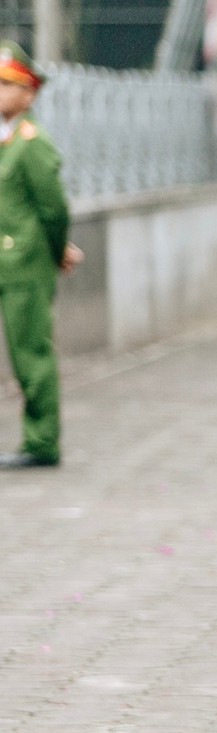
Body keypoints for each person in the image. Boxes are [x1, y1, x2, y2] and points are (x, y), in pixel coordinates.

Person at [0, 42, 81, 470]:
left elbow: (53, 210)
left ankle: (42, 442)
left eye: (6, 84)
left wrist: (57, 250)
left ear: (29, 93)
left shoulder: (32, 143)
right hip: (8, 262)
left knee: (30, 353)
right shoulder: (7, 141)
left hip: (25, 265)